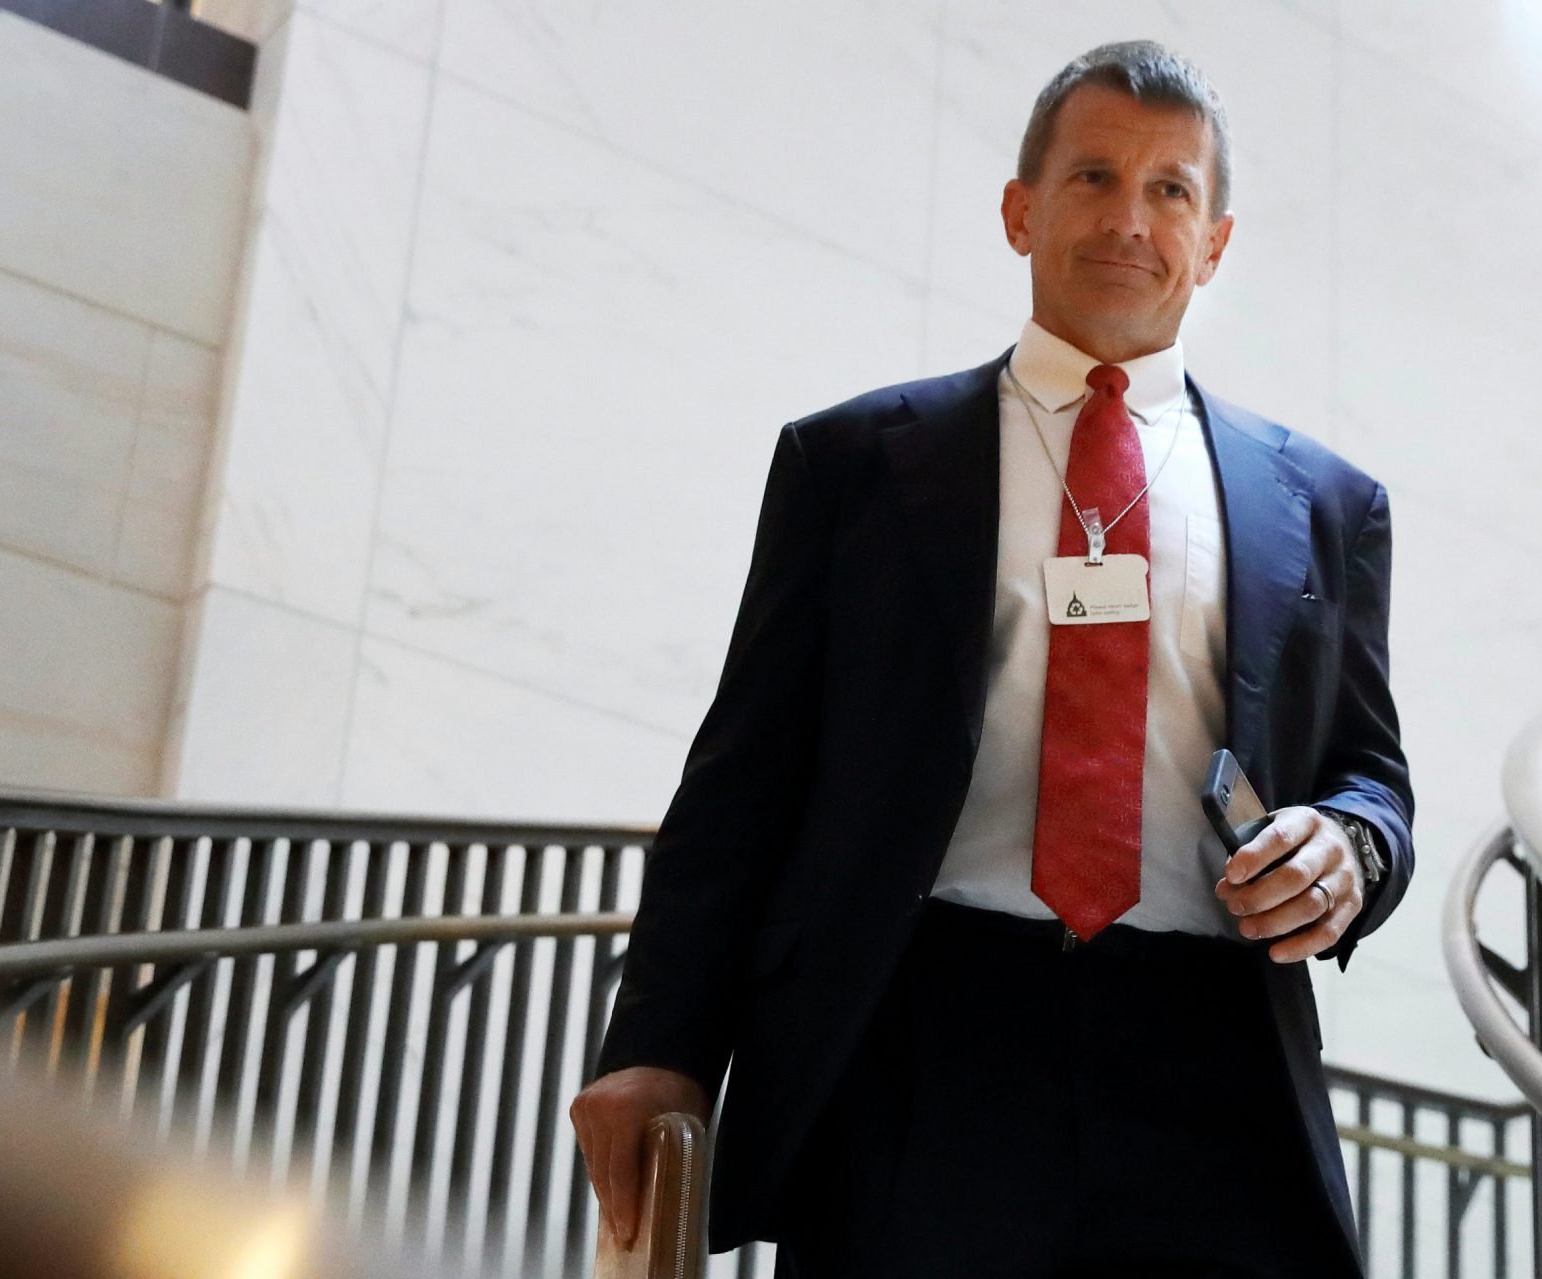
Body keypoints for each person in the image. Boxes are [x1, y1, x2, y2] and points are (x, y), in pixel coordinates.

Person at [568, 40, 1412, 1278]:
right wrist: (657, 1042)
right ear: (1021, 212)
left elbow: (1369, 774)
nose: (1130, 218)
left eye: (1171, 189)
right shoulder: (853, 463)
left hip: (1210, 1056)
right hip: (922, 1043)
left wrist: (1350, 848)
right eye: (1091, 178)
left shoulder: (1327, 505)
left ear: (1215, 242)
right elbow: (741, 780)